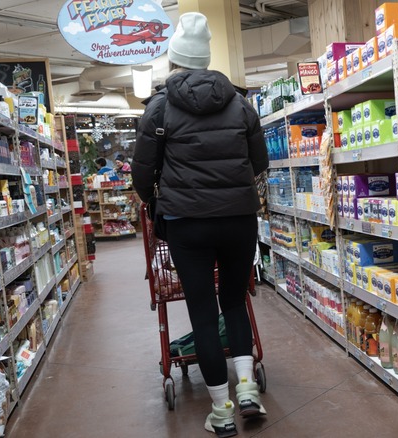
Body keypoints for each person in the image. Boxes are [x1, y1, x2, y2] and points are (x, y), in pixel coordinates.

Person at [132, 12, 269, 438]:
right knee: (234, 300)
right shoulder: (240, 103)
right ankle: (248, 390)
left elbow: (142, 174)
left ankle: (222, 412)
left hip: (187, 225)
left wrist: (159, 199)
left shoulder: (159, 108)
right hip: (239, 221)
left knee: (204, 315)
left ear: (174, 61)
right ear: (208, 60)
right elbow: (260, 163)